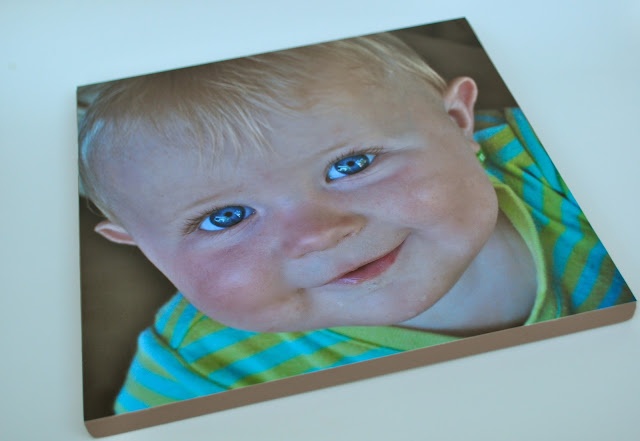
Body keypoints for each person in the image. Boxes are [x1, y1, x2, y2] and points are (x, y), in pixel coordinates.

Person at [77, 33, 634, 414]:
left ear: (458, 120)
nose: (318, 234)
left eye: (351, 164)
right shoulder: (199, 373)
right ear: (141, 249)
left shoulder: (566, 158)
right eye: (225, 218)